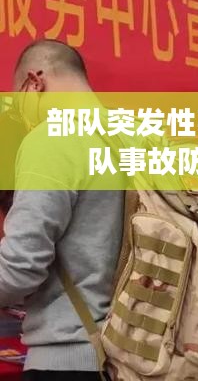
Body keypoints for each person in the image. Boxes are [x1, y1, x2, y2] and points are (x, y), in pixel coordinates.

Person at [0, 40, 124, 381]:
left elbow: (20, 267)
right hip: (131, 355)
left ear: (34, 82)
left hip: (68, 358)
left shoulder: (51, 139)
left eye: (20, 105)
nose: (23, 118)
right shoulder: (133, 136)